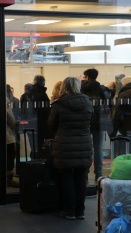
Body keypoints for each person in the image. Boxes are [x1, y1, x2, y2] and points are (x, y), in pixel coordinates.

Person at [48, 77, 93, 220]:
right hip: (84, 143)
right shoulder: (87, 103)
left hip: (64, 145)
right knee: (81, 178)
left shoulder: (59, 104)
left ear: (64, 87)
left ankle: (69, 211)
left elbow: (51, 125)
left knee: (67, 177)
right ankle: (80, 211)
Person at [81, 68, 109, 181]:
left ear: (87, 76)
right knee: (98, 148)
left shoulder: (81, 88)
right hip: (99, 121)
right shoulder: (101, 88)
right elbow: (108, 104)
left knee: (85, 147)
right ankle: (98, 172)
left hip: (85, 121)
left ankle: (85, 171)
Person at [22, 75, 51, 158]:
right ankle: (38, 165)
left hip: (28, 125)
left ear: (34, 82)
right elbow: (46, 113)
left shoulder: (25, 95)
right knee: (40, 147)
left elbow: (21, 112)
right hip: (41, 126)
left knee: (33, 146)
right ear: (43, 84)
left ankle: (33, 163)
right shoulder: (43, 95)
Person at [113, 76, 131, 142]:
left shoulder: (124, 94)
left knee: (130, 145)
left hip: (128, 124)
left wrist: (116, 126)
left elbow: (118, 111)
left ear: (124, 84)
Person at [6, 96, 20, 187]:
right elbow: (12, 121)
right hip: (8, 135)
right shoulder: (6, 107)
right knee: (10, 156)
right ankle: (9, 179)